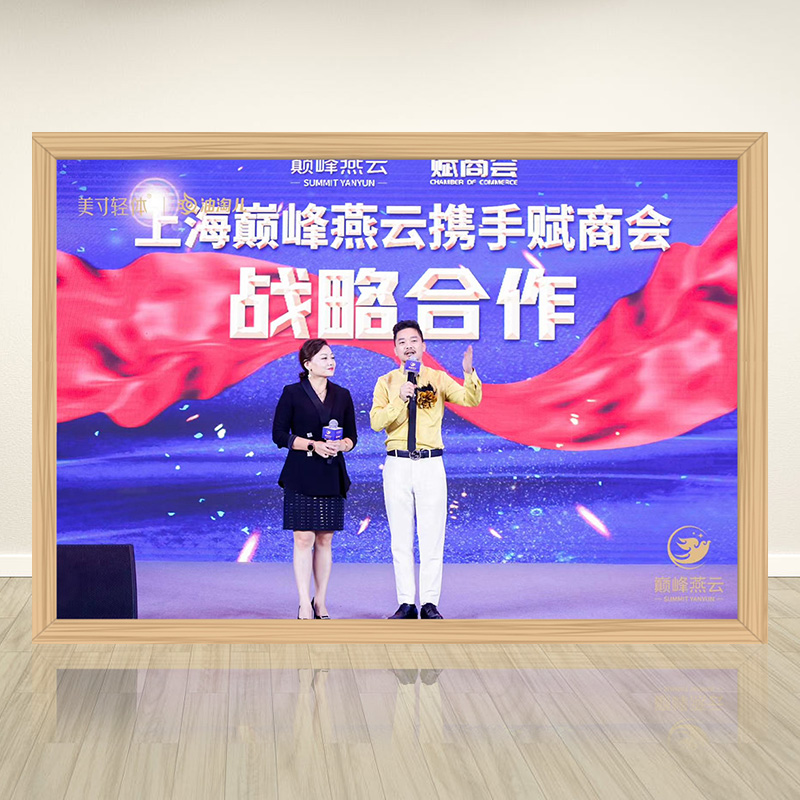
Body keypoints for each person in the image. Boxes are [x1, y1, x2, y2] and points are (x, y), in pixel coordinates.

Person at [370, 321, 482, 620]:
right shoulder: (386, 382)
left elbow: (471, 400)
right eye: (402, 342)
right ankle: (406, 603)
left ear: (423, 346)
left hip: (431, 464)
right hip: (397, 464)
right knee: (401, 538)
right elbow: (376, 422)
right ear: (395, 349)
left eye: (413, 341)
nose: (408, 346)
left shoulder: (438, 378)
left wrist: (468, 373)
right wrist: (399, 398)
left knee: (432, 537)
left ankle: (430, 602)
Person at [272, 339, 357, 620]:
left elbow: (352, 437)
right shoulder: (292, 393)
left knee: (325, 538)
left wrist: (342, 445)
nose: (331, 362)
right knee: (303, 537)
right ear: (307, 364)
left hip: (331, 471)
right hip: (301, 471)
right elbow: (279, 435)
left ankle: (320, 601)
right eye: (323, 358)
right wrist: (312, 445)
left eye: (332, 357)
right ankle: (303, 602)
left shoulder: (342, 394)